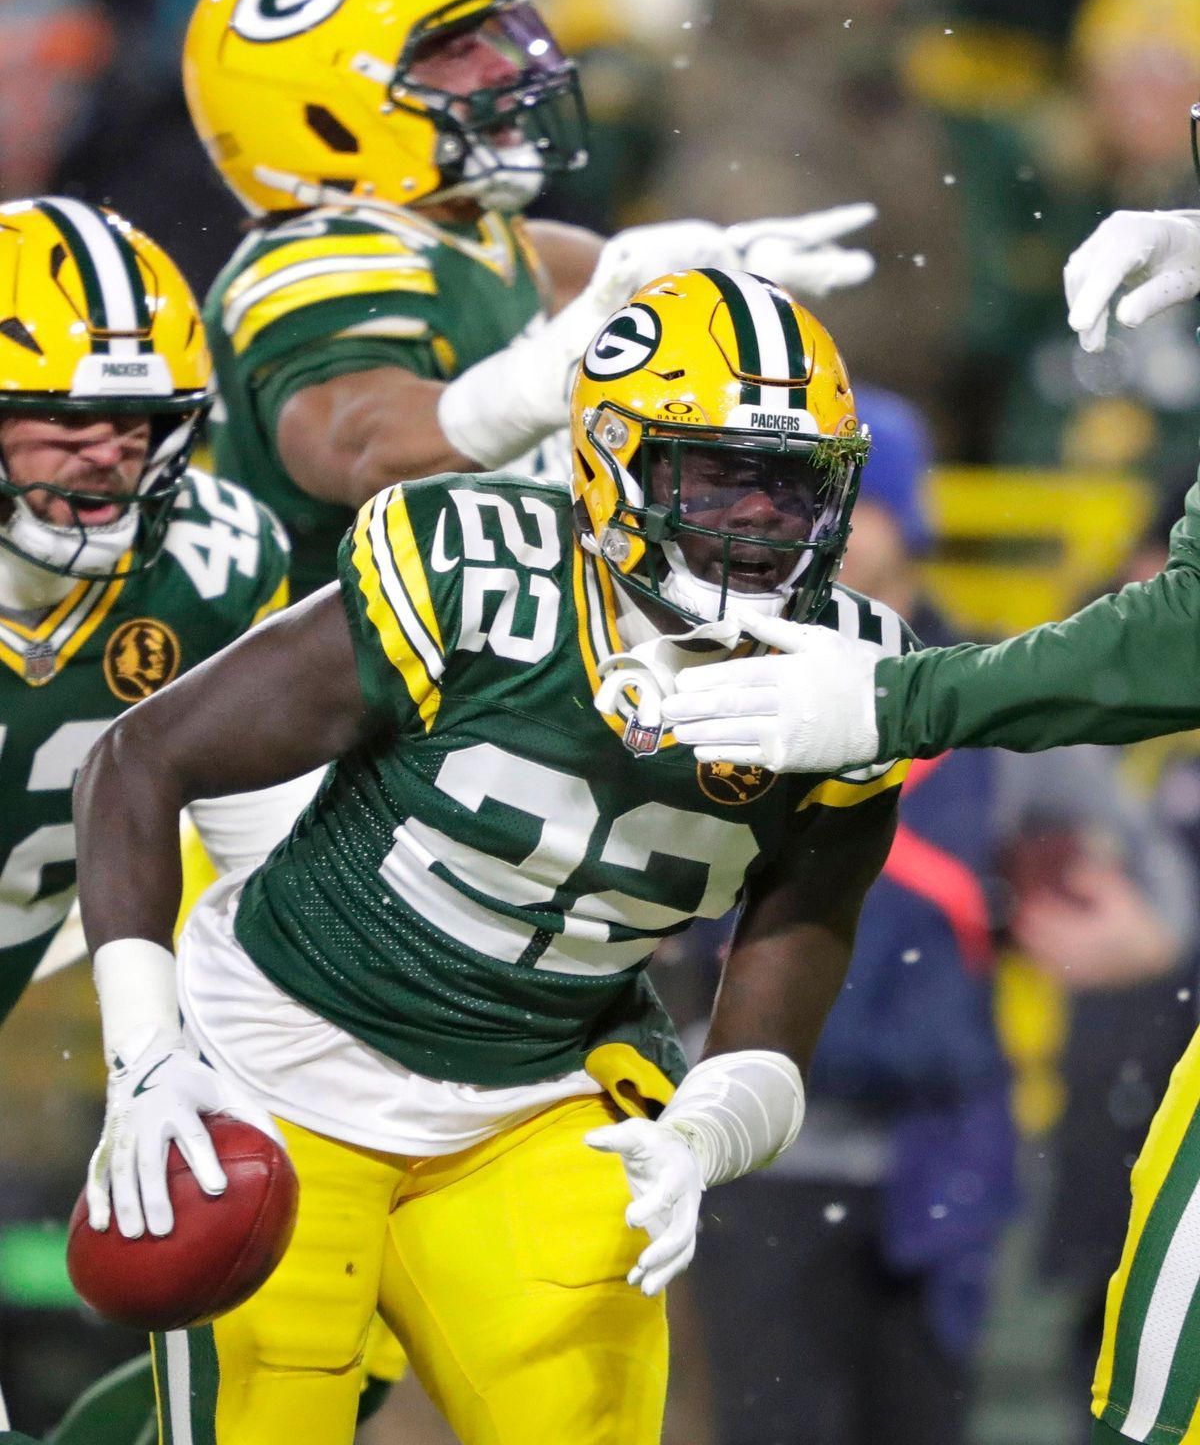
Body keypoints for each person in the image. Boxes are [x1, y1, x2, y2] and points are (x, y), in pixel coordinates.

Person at [74, 271, 914, 1445]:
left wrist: (706, 1133)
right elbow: (138, 761)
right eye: (720, 475)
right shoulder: (475, 568)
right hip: (279, 1068)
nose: (761, 519)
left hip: (540, 1095)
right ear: (608, 462)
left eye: (794, 484)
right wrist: (147, 1054)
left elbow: (791, 965)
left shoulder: (852, 675)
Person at [661, 197, 1200, 1445]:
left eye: (821, 494)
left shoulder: (996, 689)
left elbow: (1147, 905)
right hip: (763, 1138)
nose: (793, 524)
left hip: (936, 1142)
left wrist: (1072, 920)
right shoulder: (697, 665)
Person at [183, 0, 878, 597]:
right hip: (359, 682)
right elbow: (360, 444)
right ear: (323, 108)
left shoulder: (493, 243)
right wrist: (535, 382)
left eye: (495, 34)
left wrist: (709, 290)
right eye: (456, 50)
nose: (500, 65)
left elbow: (579, 283)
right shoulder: (313, 265)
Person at [0, 196, 317, 1439]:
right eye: (67, 416)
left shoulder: (216, 559)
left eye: (141, 421)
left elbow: (271, 861)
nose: (109, 452)